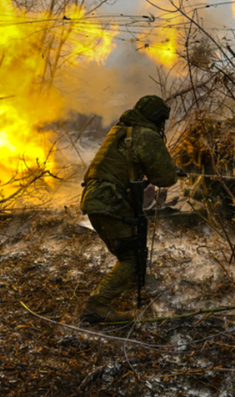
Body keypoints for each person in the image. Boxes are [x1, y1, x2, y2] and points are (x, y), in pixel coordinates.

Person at [79, 95, 178, 322]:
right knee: (131, 258)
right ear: (156, 118)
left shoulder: (121, 131)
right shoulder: (146, 135)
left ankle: (135, 284)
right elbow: (165, 177)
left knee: (130, 249)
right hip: (109, 202)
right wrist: (170, 169)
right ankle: (97, 306)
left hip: (96, 199)